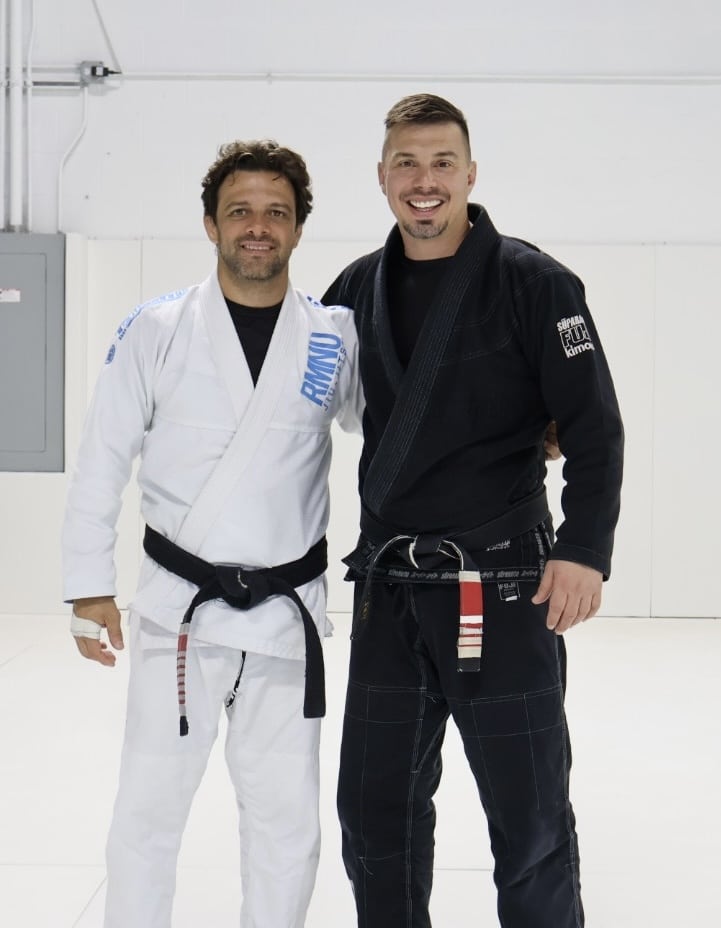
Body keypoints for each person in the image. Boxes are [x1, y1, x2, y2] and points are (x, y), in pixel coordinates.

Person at [322, 94, 624, 928]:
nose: (424, 182)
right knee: (372, 816)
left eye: (441, 163)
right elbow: (303, 414)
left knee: (527, 823)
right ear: (382, 177)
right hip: (389, 588)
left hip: (503, 584)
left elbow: (595, 427)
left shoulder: (534, 283)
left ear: (469, 173)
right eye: (407, 164)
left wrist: (584, 549)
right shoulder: (351, 288)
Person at [62, 139, 363, 928]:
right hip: (177, 615)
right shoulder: (156, 328)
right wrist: (90, 589)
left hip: (285, 615)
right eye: (240, 212)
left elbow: (398, 425)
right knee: (148, 811)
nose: (256, 227)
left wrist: (517, 425)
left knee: (286, 823)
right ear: (209, 225)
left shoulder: (332, 335)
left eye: (275, 213)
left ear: (298, 229)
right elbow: (101, 458)